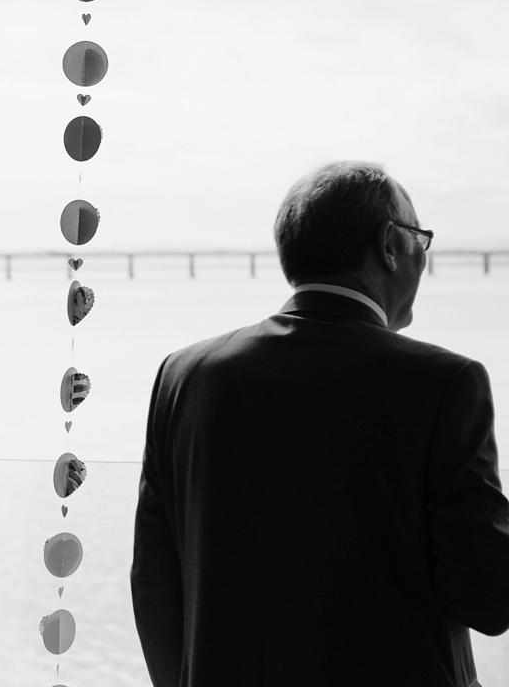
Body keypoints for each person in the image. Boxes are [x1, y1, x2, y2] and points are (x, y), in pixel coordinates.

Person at [131, 161, 509, 686]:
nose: (424, 257)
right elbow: (490, 599)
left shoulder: (185, 376)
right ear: (389, 246)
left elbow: (153, 583)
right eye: (421, 239)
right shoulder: (445, 384)